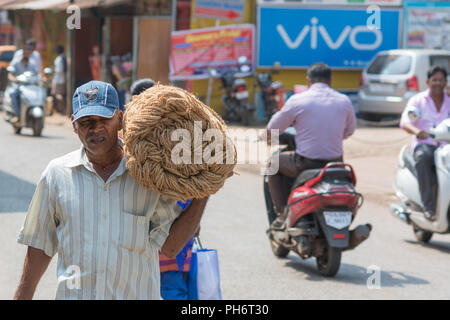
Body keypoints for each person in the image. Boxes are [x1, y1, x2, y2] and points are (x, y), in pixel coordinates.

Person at [14, 80, 212, 300]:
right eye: (86, 121)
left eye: (104, 120)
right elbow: (40, 244)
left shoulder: (147, 176)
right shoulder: (57, 174)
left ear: (120, 119)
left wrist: (205, 191)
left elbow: (171, 247)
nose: (96, 128)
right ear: (74, 124)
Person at [129, 78, 199, 300]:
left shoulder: (130, 143)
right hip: (176, 241)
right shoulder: (180, 138)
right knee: (174, 289)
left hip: (150, 247)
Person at [266, 62, 356, 228]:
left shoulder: (298, 100)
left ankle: (281, 214)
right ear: (331, 80)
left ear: (308, 81)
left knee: (273, 163)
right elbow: (349, 131)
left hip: (306, 163)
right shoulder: (344, 101)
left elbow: (272, 128)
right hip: (336, 164)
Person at [400, 65, 450, 221]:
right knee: (424, 159)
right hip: (426, 145)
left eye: (440, 80)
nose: (437, 83)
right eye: (434, 80)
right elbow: (406, 122)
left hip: (446, 147)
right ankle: (429, 207)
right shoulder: (418, 101)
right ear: (428, 81)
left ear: (445, 82)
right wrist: (418, 132)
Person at [8, 43, 40, 123]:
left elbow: (37, 74)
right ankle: (16, 114)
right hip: (19, 86)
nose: (27, 53)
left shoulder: (32, 64)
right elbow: (10, 74)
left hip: (30, 87)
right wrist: (13, 79)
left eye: (29, 52)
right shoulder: (16, 63)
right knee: (13, 94)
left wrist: (40, 78)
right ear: (23, 52)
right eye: (26, 51)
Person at [51, 45, 67, 114]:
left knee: (58, 95)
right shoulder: (61, 58)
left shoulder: (59, 59)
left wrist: (53, 70)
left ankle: (62, 108)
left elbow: (60, 70)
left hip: (58, 80)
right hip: (60, 79)